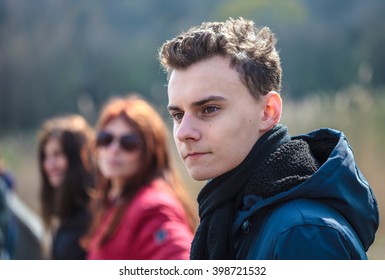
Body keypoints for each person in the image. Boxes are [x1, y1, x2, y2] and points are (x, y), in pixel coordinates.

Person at [158, 17, 379, 260]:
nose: (183, 132)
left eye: (209, 109)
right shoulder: (232, 214)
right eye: (178, 115)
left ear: (268, 111)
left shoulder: (301, 232)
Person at [84, 94, 197, 260]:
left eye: (128, 142)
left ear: (150, 152)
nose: (114, 149)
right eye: (106, 139)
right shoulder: (112, 201)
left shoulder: (153, 208)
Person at [38, 114, 94, 259]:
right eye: (46, 156)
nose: (49, 165)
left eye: (57, 154)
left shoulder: (94, 217)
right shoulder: (66, 214)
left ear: (79, 157)